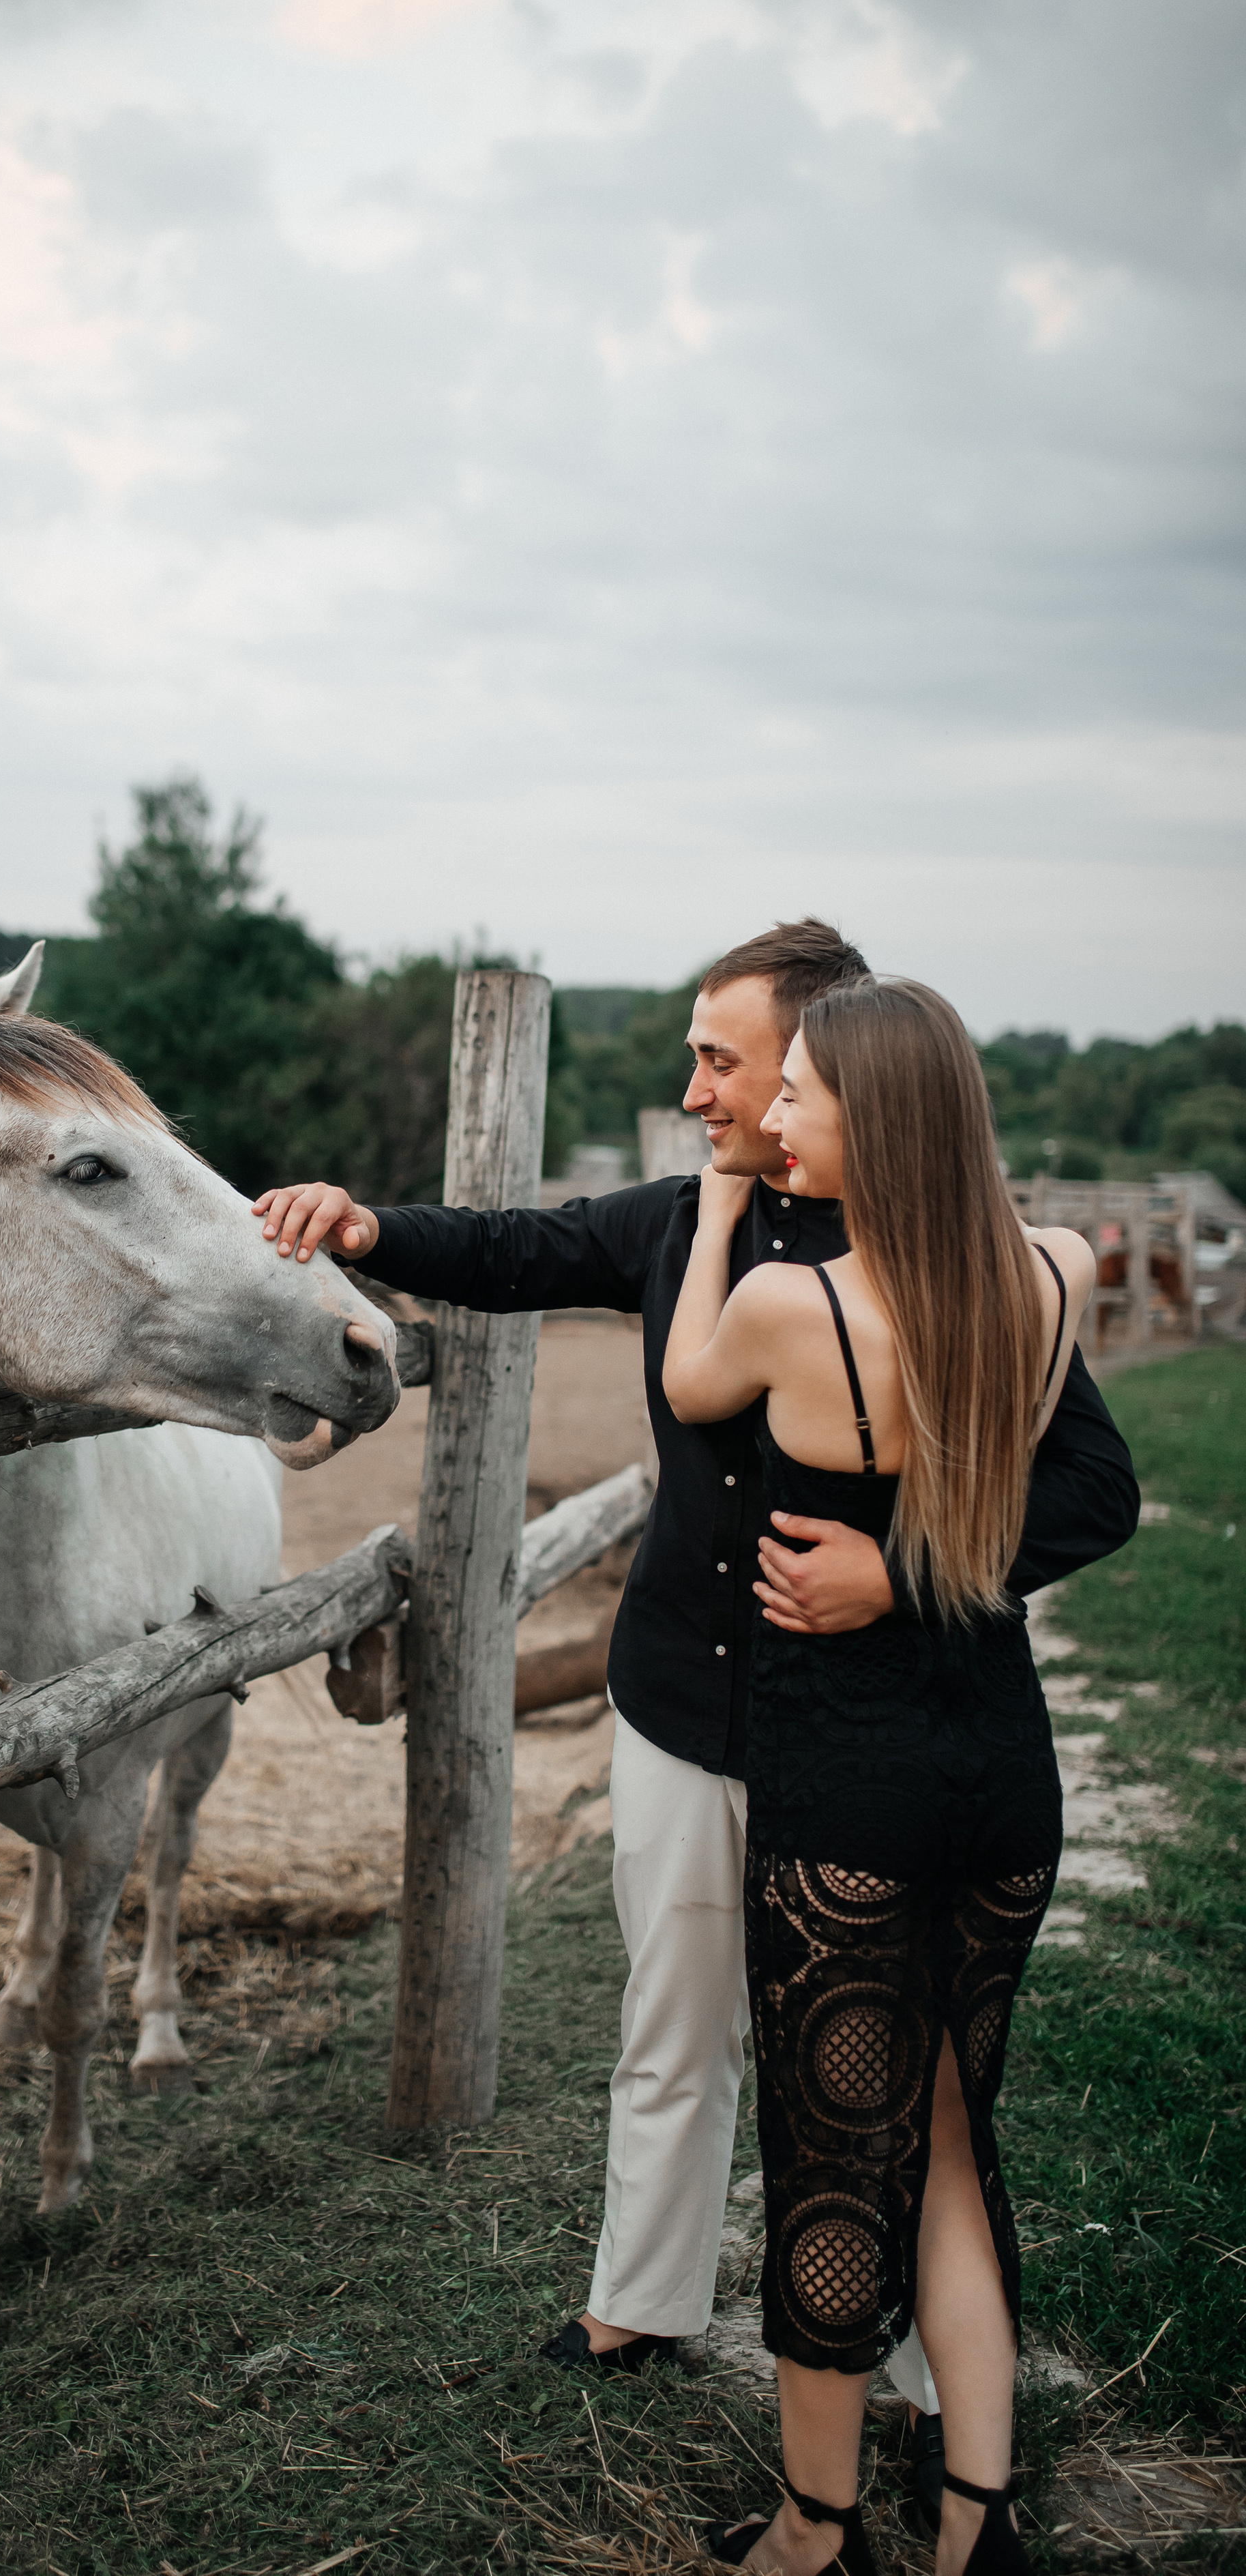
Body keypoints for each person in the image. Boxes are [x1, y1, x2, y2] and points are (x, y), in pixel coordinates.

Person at [252, 921, 1137, 2532]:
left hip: (857, 1744)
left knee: (886, 2093)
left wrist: (898, 1574)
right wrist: (368, 1225)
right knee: (672, 2023)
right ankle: (640, 2301)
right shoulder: (676, 1222)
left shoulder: (955, 1255)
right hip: (680, 1700)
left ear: (825, 1061)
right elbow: (515, 1257)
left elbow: (1085, 1486)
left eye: (727, 1059)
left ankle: (923, 2397)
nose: (699, 1089)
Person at [663, 978, 1097, 2576]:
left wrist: (718, 1212)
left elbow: (688, 1385)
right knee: (951, 2137)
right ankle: (974, 2520)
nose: (770, 1119)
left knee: (832, 2170)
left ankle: (814, 2524)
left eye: (801, 1101)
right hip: (1001, 1776)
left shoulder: (796, 1309)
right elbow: (1022, 1501)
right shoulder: (1053, 1275)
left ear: (878, 1121)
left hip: (848, 1792)